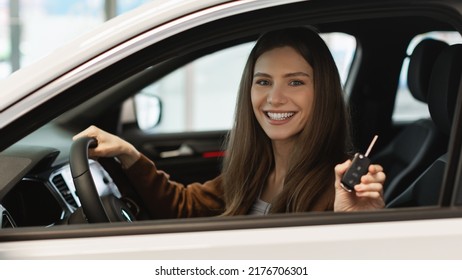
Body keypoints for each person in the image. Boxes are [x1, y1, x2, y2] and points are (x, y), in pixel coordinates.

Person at [73, 27, 386, 219]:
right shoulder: (256, 166)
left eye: (295, 83)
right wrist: (129, 154)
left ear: (324, 93)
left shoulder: (342, 187)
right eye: (263, 82)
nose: (274, 99)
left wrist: (356, 221)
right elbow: (186, 207)